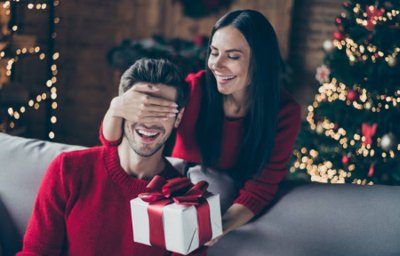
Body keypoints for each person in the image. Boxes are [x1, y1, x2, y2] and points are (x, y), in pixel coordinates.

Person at [100, 9, 301, 246]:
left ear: (260, 61)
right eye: (214, 53)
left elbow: (262, 186)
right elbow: (112, 142)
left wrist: (215, 227)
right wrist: (117, 108)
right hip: (176, 189)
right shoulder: (194, 89)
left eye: (233, 56)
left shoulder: (284, 112)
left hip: (226, 201)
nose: (217, 64)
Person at [17, 58, 207, 255]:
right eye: (141, 108)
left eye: (162, 111)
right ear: (121, 109)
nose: (149, 122)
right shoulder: (69, 169)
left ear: (179, 117)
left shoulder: (185, 199)